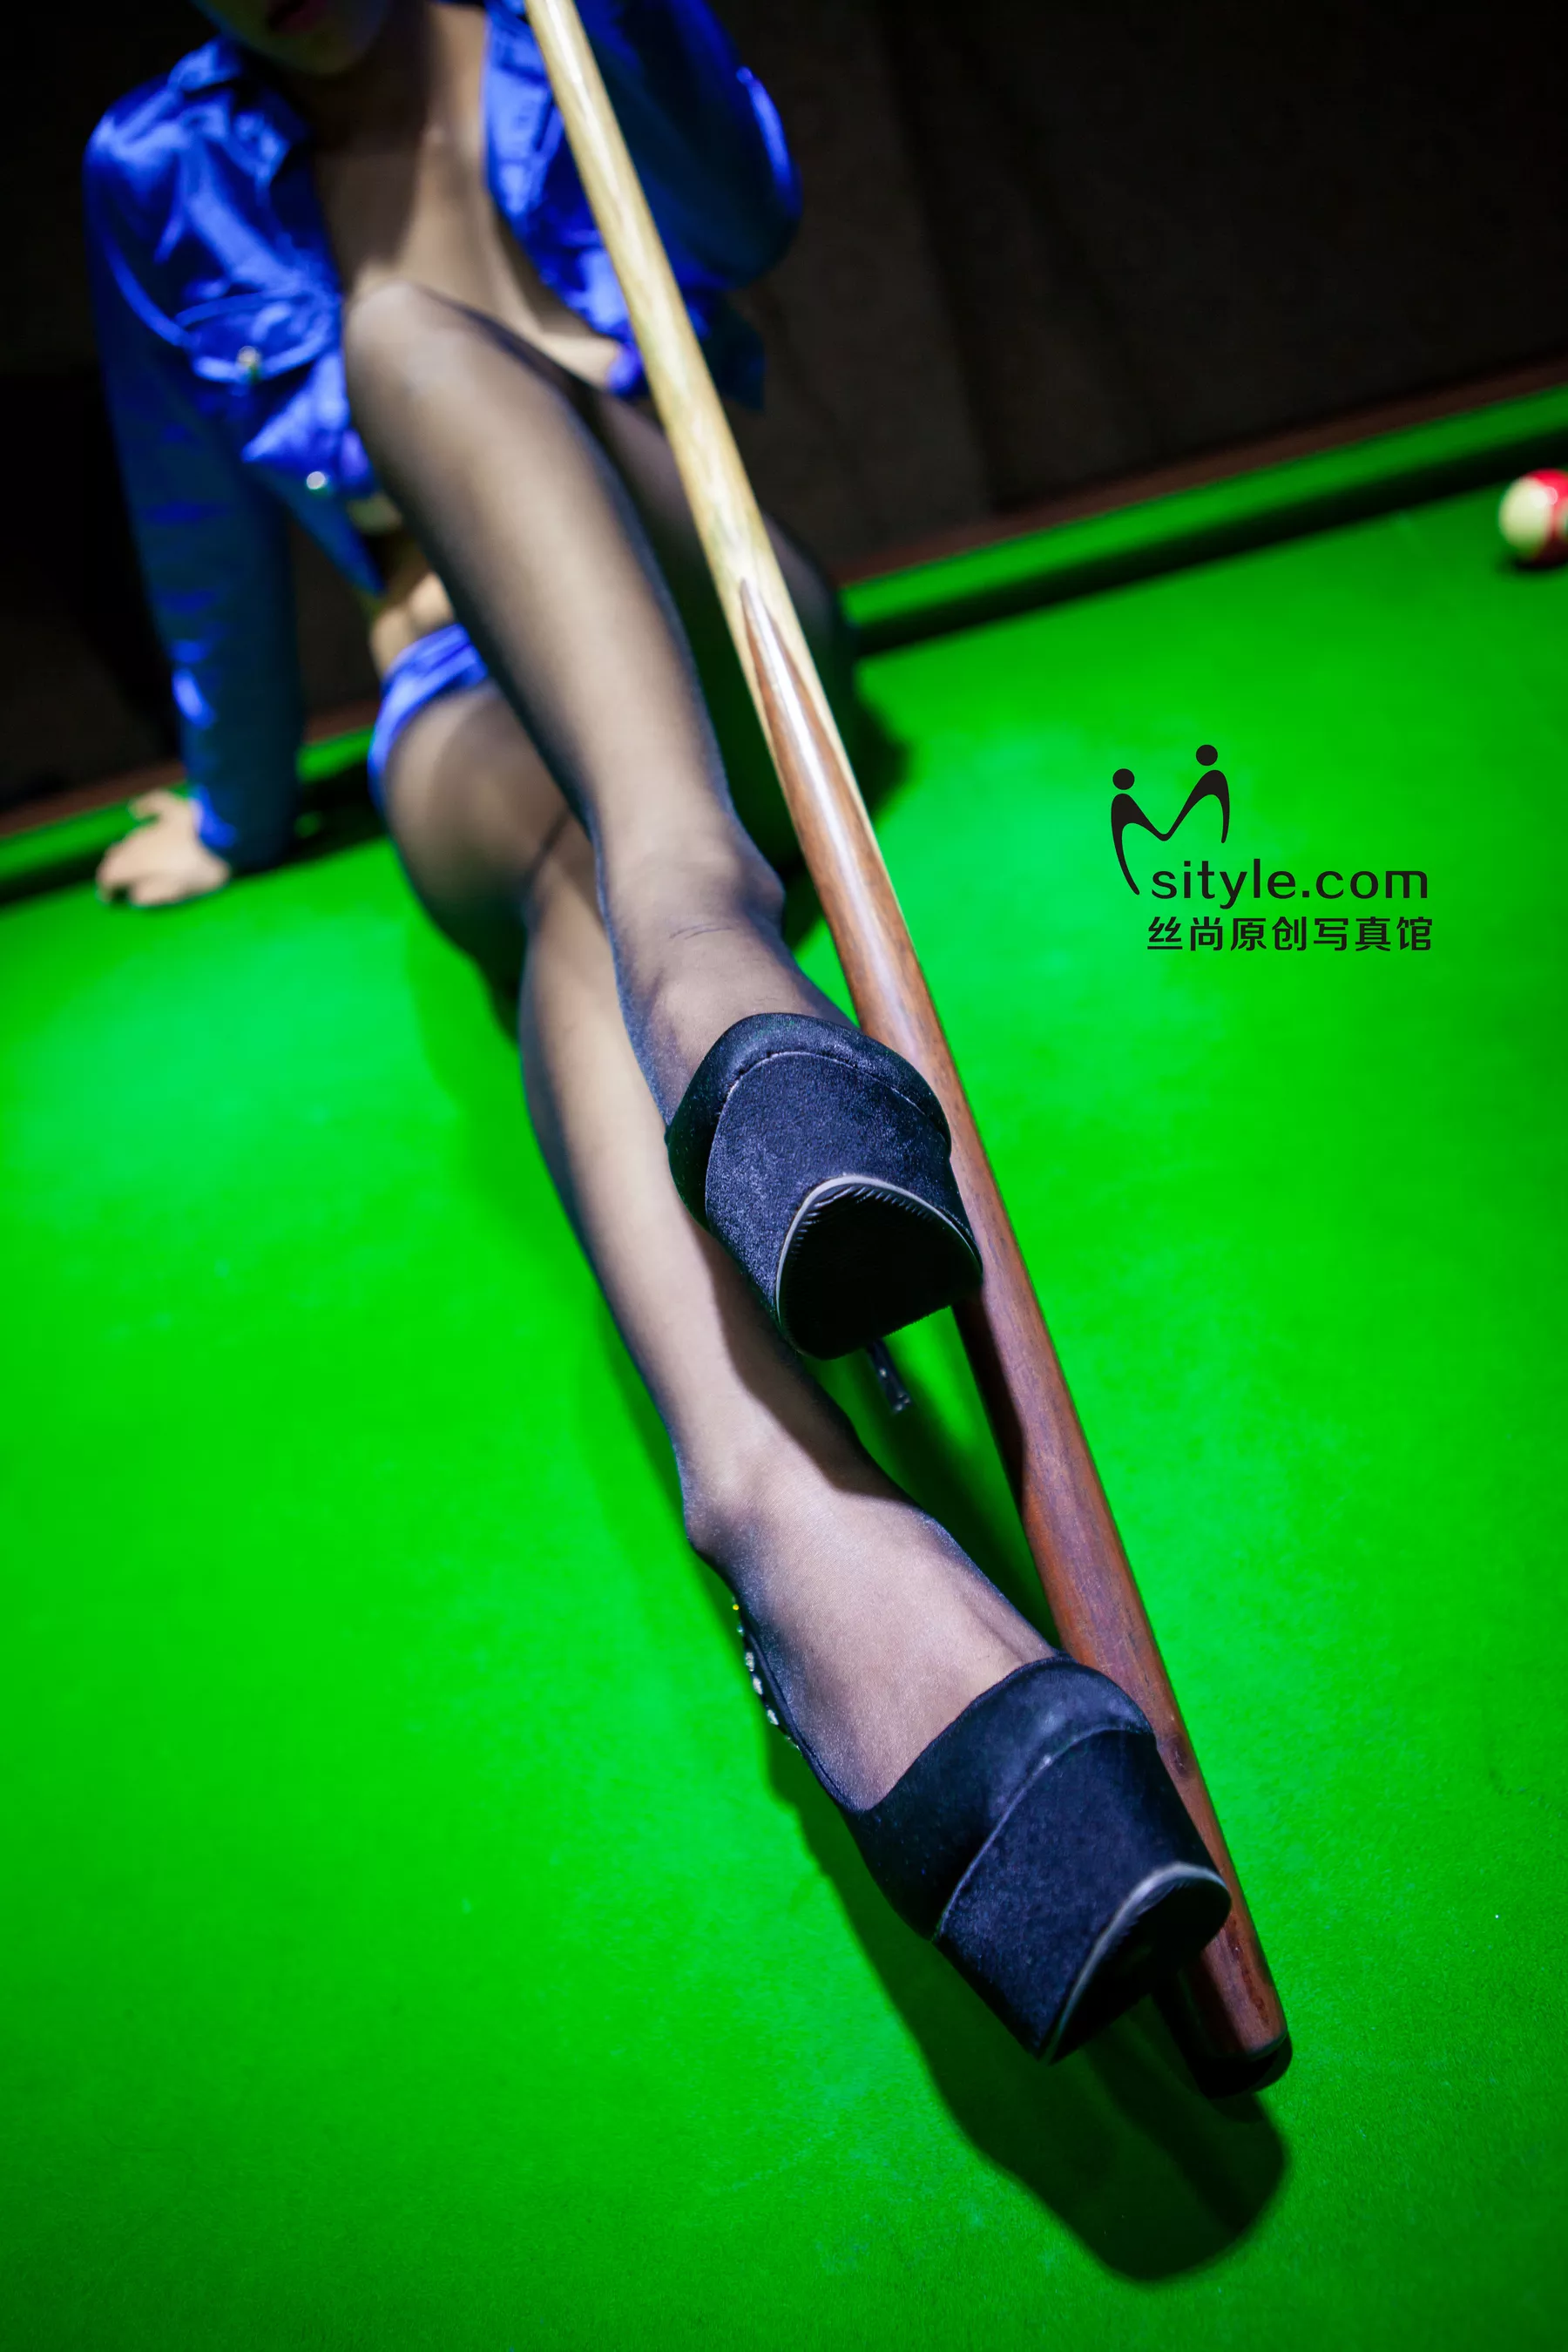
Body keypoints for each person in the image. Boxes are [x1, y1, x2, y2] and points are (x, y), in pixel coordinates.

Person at [84, 0, 1228, 2061]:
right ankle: (791, 1515)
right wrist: (239, 812)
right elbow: (198, 527)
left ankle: (703, 960)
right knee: (573, 870)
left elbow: (745, 210)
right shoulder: (159, 168)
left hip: (719, 607)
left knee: (411, 341)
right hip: (460, 706)